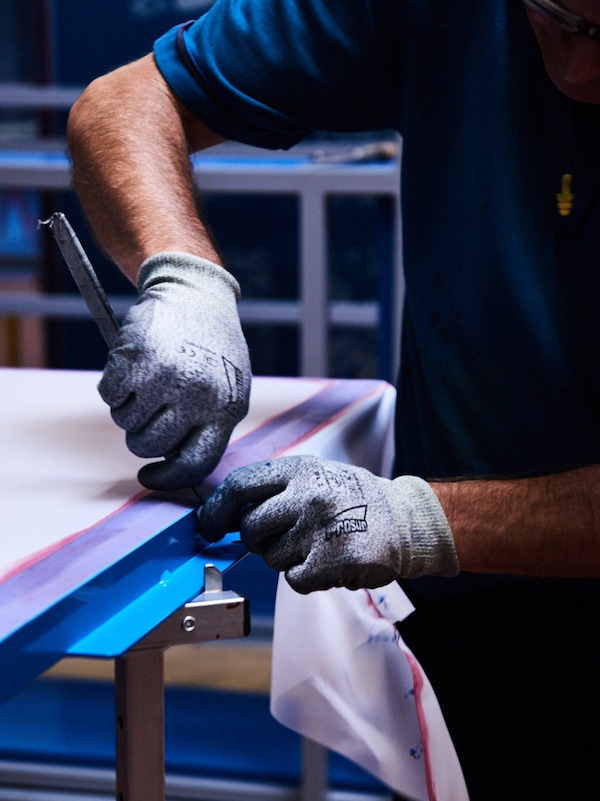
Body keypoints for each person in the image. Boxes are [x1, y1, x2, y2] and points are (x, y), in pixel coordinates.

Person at [66, 1, 600, 798]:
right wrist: (186, 279)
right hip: (471, 626)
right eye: (556, 19)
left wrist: (416, 520)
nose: (578, 66)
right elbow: (124, 103)